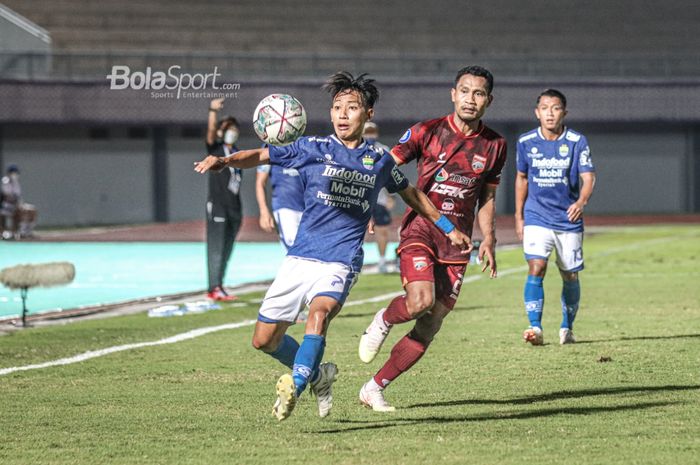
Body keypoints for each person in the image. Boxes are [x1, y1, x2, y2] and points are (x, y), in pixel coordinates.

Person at [194, 71, 471, 421]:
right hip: (300, 256)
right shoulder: (312, 148)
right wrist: (224, 160)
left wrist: (448, 227)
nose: (342, 114)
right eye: (337, 107)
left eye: (351, 107)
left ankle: (295, 384)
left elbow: (412, 194)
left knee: (319, 313)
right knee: (264, 340)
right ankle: (318, 373)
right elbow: (261, 155)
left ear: (367, 113)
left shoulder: (380, 160)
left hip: (341, 259)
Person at [357, 65, 507, 412]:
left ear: (489, 100)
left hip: (458, 243)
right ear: (453, 94)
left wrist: (489, 239)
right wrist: (367, 204)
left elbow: (486, 195)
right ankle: (383, 320)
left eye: (479, 93)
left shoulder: (496, 144)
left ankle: (374, 388)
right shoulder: (427, 131)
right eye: (465, 91)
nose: (471, 99)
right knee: (420, 300)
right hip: (421, 229)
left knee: (431, 322)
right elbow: (385, 166)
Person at [514, 89, 596, 346]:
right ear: (537, 113)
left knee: (570, 275)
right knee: (536, 266)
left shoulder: (576, 141)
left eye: (556, 108)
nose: (550, 113)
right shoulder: (526, 141)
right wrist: (519, 216)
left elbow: (588, 177)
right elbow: (522, 178)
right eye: (545, 108)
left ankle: (566, 327)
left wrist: (581, 201)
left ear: (564, 112)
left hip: (568, 220)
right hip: (536, 215)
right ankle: (535, 327)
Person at [204, 98, 243, 301]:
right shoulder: (217, 149)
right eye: (229, 128)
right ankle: (213, 287)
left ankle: (220, 285)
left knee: (227, 249)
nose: (232, 131)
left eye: (235, 129)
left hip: (234, 207)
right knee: (216, 248)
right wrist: (212, 111)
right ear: (221, 131)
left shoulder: (236, 153)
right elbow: (210, 134)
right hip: (218, 206)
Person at [363, 121, 396, 273]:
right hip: (360, 198)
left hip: (379, 198)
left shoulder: (383, 150)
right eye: (367, 132)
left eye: (372, 132)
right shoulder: (355, 149)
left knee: (382, 230)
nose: (370, 135)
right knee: (356, 230)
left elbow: (391, 174)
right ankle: (353, 262)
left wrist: (391, 196)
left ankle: (382, 261)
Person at [254, 151, 304, 251]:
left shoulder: (304, 144)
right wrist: (264, 211)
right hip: (286, 206)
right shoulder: (270, 148)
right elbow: (260, 183)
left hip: (309, 207)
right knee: (294, 249)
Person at [1, 165, 38, 240]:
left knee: (31, 210)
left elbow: (17, 196)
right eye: (13, 173)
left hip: (15, 205)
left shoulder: (16, 183)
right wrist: (17, 204)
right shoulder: (5, 181)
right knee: (21, 211)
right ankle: (17, 231)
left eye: (16, 173)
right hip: (5, 206)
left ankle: (25, 231)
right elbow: (8, 197)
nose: (14, 175)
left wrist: (20, 203)